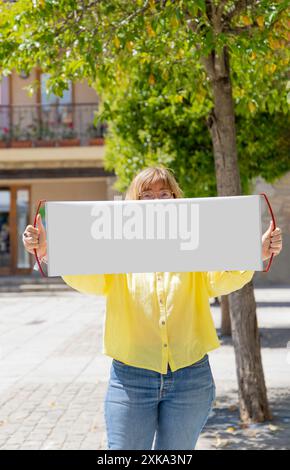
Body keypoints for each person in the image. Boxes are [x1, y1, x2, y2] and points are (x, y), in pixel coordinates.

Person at [22, 165, 283, 450]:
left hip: (191, 378)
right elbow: (90, 278)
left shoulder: (195, 245)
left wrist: (255, 253)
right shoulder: (116, 248)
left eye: (164, 193)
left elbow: (219, 280)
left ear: (175, 199)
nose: (156, 201)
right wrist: (49, 251)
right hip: (131, 378)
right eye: (146, 195)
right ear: (133, 204)